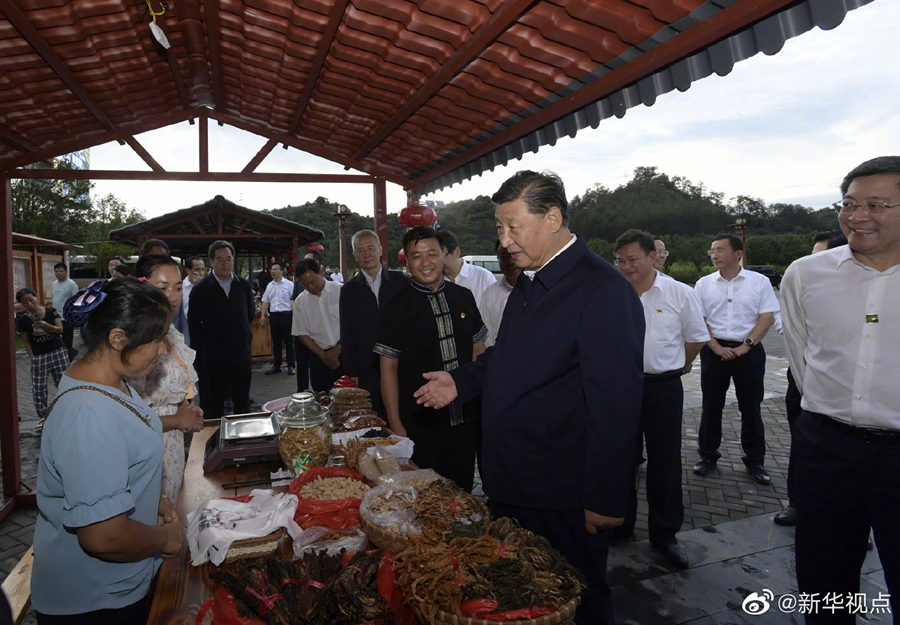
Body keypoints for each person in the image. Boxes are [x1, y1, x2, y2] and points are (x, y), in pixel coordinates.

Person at [414, 171, 644, 624]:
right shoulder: (532, 280)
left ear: (553, 218)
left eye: (512, 227)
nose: (504, 240)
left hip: (561, 492)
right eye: (499, 228)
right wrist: (462, 382)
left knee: (577, 599)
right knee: (525, 597)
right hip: (515, 483)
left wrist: (606, 498)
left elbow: (616, 406)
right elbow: (511, 355)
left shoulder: (602, 291)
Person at [781, 156, 900, 623]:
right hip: (825, 449)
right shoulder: (807, 274)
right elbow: (799, 355)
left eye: (877, 204)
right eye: (849, 204)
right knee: (823, 580)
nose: (858, 216)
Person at [32, 278, 184, 623]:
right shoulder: (88, 414)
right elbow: (104, 536)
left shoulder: (110, 381)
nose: (162, 351)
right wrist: (163, 538)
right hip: (94, 602)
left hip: (118, 585)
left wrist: (149, 498)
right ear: (118, 339)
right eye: (157, 340)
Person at [613, 230, 708, 568]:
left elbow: (696, 338)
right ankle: (619, 524)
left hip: (663, 388)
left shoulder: (679, 293)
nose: (625, 266)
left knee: (665, 461)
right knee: (620, 458)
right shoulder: (610, 294)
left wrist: (679, 365)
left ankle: (665, 534)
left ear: (652, 257)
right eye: (620, 260)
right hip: (620, 389)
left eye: (632, 259)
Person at [375, 226, 486, 492]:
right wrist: (395, 423)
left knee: (461, 492)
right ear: (407, 261)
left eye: (432, 254)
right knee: (423, 497)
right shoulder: (396, 306)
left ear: (444, 255)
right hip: (419, 422)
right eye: (416, 256)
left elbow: (478, 351)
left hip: (464, 418)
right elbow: (387, 368)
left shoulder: (463, 296)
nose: (425, 263)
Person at [692, 233, 779, 485]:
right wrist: (716, 347)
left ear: (737, 254)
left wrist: (746, 346)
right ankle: (707, 456)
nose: (714, 255)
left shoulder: (759, 282)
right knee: (711, 406)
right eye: (712, 250)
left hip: (749, 353)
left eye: (720, 250)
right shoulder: (704, 284)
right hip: (714, 352)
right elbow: (700, 319)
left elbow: (766, 317)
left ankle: (755, 461)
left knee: (751, 407)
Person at [775, 230, 845, 527]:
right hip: (802, 380)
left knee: (846, 458)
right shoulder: (805, 288)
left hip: (846, 389)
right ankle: (797, 504)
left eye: (820, 257)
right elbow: (787, 329)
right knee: (802, 443)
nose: (812, 264)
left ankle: (851, 516)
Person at [130, 254, 204, 506]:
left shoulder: (169, 331)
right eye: (162, 288)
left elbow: (179, 382)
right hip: (145, 447)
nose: (172, 297)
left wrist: (186, 408)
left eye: (177, 288)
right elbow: (123, 420)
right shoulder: (134, 340)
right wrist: (176, 419)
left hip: (171, 442)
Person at [339, 230, 406, 413]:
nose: (366, 253)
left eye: (370, 248)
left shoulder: (401, 281)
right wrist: (352, 372)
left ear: (380, 249)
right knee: (373, 417)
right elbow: (347, 333)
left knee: (403, 412)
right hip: (367, 366)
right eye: (360, 250)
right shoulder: (348, 290)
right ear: (355, 255)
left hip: (401, 364)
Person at [188, 240, 255, 419]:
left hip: (241, 354)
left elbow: (249, 314)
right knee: (213, 403)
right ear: (211, 262)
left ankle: (242, 442)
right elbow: (193, 323)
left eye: (229, 259)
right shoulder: (201, 288)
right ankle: (213, 442)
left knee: (242, 401)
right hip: (213, 357)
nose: (225, 263)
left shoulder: (243, 285)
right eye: (220, 260)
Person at [16, 288, 69, 432]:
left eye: (31, 300)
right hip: (39, 355)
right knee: (39, 388)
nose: (29, 304)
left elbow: (60, 330)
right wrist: (32, 357)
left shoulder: (51, 312)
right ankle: (43, 417)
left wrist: (48, 326)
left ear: (36, 297)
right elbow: (26, 341)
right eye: (25, 303)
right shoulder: (24, 320)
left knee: (63, 384)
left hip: (58, 351)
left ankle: (67, 413)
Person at [292, 258, 343, 391]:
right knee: (323, 400)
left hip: (345, 354)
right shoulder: (300, 302)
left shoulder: (341, 291)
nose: (311, 287)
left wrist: (338, 349)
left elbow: (353, 325)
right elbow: (301, 334)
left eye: (313, 282)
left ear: (321, 272)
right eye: (305, 285)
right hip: (320, 360)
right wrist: (324, 356)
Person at [477, 239, 521, 347]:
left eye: (513, 255)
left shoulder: (538, 289)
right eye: (504, 257)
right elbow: (487, 335)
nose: (510, 262)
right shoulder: (490, 293)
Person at [439, 230, 496, 306]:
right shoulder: (434, 282)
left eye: (442, 257)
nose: (439, 262)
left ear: (457, 252)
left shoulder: (483, 278)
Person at [260, 261, 296, 376]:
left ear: (282, 271)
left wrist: (295, 315)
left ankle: (291, 365)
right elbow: (265, 301)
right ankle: (277, 365)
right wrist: (262, 315)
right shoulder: (270, 285)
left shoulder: (289, 284)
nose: (273, 271)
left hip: (286, 315)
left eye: (275, 269)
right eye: (272, 269)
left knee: (289, 342)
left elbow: (294, 300)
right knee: (276, 342)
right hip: (274, 316)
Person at [50, 262, 78, 360]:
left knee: (67, 340)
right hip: (56, 317)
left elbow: (76, 300)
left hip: (66, 317)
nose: (59, 273)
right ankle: (59, 358)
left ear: (66, 272)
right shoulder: (54, 284)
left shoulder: (71, 284)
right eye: (56, 272)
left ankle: (68, 359)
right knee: (56, 339)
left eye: (61, 271)